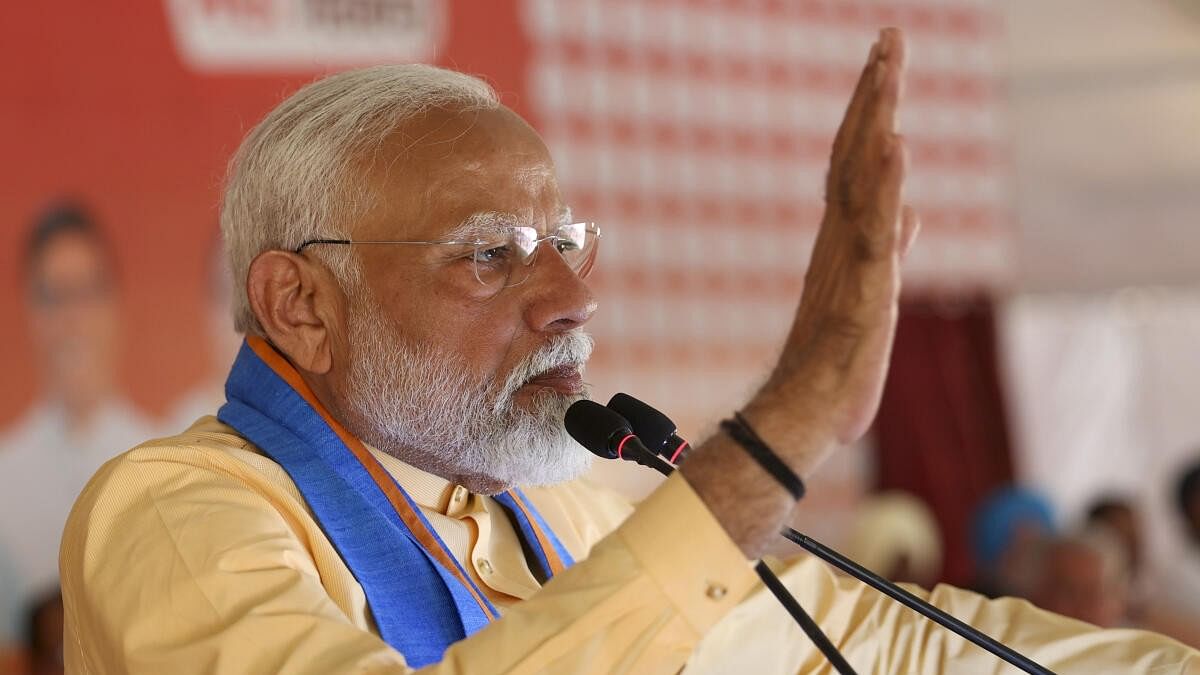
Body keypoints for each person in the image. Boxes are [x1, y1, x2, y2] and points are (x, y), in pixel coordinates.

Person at [59, 30, 1198, 673]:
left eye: (564, 242)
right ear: (300, 304)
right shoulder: (175, 511)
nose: (572, 295)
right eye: (493, 255)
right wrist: (791, 418)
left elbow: (886, 644)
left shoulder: (564, 513)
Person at [0, 202, 152, 653]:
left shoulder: (161, 459)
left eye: (87, 292)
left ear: (115, 304)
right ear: (30, 309)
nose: (73, 319)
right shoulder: (6, 478)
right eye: (55, 295)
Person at [968, 486, 1056, 600]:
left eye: (1036, 551)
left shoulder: (1053, 599)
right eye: (1018, 552)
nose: (1028, 561)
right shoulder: (974, 602)